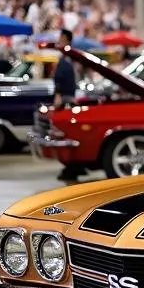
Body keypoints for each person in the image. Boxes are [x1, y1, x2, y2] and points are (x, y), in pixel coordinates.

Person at [51, 30, 85, 181]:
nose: (59, 42)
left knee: (68, 134)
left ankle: (73, 166)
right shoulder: (72, 58)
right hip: (70, 99)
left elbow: (60, 79)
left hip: (67, 100)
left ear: (66, 40)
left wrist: (58, 96)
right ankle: (73, 166)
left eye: (60, 39)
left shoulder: (67, 59)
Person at [52, 29, 77, 108]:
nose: (60, 42)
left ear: (68, 41)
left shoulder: (72, 58)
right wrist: (58, 95)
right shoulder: (62, 59)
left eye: (62, 40)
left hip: (71, 95)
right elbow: (58, 78)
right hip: (65, 96)